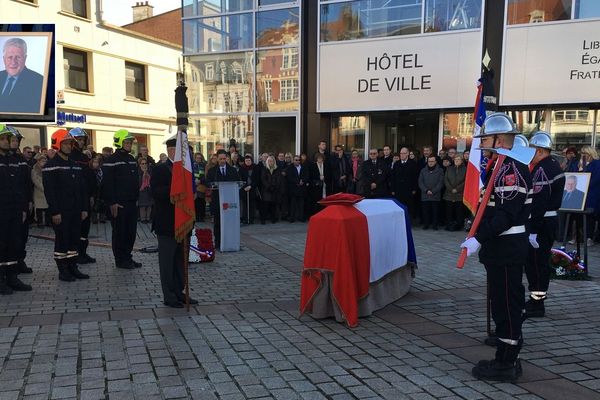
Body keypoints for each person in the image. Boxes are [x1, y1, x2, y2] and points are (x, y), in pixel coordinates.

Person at [461, 113, 532, 382]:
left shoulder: (511, 170)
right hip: (500, 248)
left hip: (506, 248)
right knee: (501, 302)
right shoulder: (499, 166)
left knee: (506, 304)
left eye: (486, 138)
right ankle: (505, 355)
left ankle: (506, 362)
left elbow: (506, 215)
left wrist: (480, 238)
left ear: (500, 139)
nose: (481, 144)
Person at [150, 137, 198, 308]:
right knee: (167, 262)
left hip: (183, 222)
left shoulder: (186, 170)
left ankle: (179, 292)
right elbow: (155, 192)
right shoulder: (160, 169)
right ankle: (169, 295)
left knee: (180, 261)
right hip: (167, 223)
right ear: (172, 151)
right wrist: (176, 192)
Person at [525, 132, 565, 318]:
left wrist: (532, 230)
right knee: (539, 262)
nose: (530, 154)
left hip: (541, 222)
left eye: (532, 150)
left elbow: (539, 201)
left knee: (535, 263)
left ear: (540, 150)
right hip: (548, 220)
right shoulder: (554, 165)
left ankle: (537, 303)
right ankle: (537, 300)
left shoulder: (542, 169)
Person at [43, 129, 89, 281]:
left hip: (75, 211)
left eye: (70, 143)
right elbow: (50, 192)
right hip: (61, 212)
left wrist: (83, 208)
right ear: (57, 144)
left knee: (74, 239)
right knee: (62, 240)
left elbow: (82, 189)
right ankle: (63, 270)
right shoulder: (51, 165)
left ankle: (72, 267)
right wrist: (55, 212)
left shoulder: (74, 165)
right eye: (66, 143)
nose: (70, 146)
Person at [102, 129, 142, 270]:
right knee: (120, 233)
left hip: (131, 202)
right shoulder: (111, 160)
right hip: (118, 204)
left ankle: (127, 257)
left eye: (130, 142)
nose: (129, 144)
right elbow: (107, 184)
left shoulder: (131, 159)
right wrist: (112, 202)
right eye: (126, 142)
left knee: (131, 233)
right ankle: (120, 260)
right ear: (119, 142)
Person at [0, 125, 31, 294]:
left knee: (14, 243)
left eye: (7, 139)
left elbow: (21, 186)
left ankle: (12, 277)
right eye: (3, 139)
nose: (6, 142)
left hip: (15, 210)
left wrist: (23, 207)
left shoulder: (14, 160)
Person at [7, 127, 33, 274]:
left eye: (17, 140)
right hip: (9, 205)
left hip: (22, 202)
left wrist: (29, 201)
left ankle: (20, 261)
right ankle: (10, 265)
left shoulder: (21, 159)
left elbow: (26, 183)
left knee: (22, 235)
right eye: (13, 140)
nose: (15, 142)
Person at [68, 128, 97, 265]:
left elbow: (90, 177)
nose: (81, 142)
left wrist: (91, 195)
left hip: (86, 196)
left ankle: (83, 253)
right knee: (77, 227)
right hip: (75, 198)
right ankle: (77, 255)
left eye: (82, 140)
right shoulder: (70, 157)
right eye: (78, 140)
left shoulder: (85, 157)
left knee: (85, 228)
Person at [206, 149, 240, 248]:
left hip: (229, 201)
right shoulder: (213, 171)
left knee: (229, 222)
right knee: (217, 223)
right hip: (217, 201)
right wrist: (211, 185)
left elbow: (238, 182)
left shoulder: (232, 170)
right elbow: (208, 181)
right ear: (217, 159)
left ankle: (230, 241)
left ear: (227, 159)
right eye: (220, 159)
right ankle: (218, 243)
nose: (222, 161)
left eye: (224, 159)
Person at [0, 38, 44, 113]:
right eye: (10, 57)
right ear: (4, 59)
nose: (13, 62)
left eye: (18, 57)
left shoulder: (39, 82)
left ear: (25, 58)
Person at [581, 146, 600, 244]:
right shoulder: (585, 164)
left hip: (594, 193)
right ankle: (586, 236)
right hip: (587, 194)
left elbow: (596, 179)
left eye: (585, 154)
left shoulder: (597, 164)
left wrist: (586, 183)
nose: (583, 156)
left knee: (591, 215)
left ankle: (590, 237)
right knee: (587, 217)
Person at [418, 156, 444, 230]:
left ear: (435, 162)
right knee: (425, 211)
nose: (430, 163)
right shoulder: (423, 170)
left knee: (435, 211)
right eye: (429, 161)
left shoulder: (440, 170)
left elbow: (440, 182)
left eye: (432, 161)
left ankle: (435, 225)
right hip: (425, 194)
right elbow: (420, 182)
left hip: (435, 194)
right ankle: (426, 224)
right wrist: (426, 190)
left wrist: (433, 191)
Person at [391, 147, 418, 214]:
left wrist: (414, 189)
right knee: (399, 206)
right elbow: (393, 177)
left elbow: (415, 177)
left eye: (404, 153)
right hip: (398, 190)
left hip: (409, 189)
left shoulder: (413, 163)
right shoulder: (396, 164)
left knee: (408, 207)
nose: (402, 155)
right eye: (401, 153)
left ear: (408, 154)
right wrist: (393, 189)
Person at [443, 154, 466, 231]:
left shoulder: (465, 169)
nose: (456, 160)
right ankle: (449, 225)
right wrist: (451, 188)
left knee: (458, 212)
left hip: (459, 194)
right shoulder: (449, 169)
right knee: (449, 211)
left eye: (458, 159)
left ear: (462, 161)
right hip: (449, 194)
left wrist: (457, 189)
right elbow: (445, 179)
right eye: (455, 159)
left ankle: (458, 226)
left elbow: (465, 181)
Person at [286, 155, 309, 222]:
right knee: (292, 204)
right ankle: (292, 218)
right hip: (293, 188)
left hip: (302, 188)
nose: (297, 161)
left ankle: (301, 217)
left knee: (301, 204)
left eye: (299, 160)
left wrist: (303, 181)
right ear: (293, 160)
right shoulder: (290, 167)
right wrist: (297, 182)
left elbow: (307, 175)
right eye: (296, 160)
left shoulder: (304, 167)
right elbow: (289, 177)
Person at [239, 155, 259, 224]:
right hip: (244, 189)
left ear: (251, 161)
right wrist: (245, 187)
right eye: (246, 161)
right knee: (245, 205)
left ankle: (251, 219)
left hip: (252, 189)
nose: (247, 162)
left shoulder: (255, 168)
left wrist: (251, 186)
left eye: (249, 160)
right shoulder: (242, 168)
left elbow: (257, 179)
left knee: (252, 205)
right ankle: (245, 218)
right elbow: (240, 178)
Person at [260, 156, 280, 224]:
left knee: (273, 206)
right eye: (269, 161)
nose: (270, 162)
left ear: (274, 162)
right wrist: (268, 187)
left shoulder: (277, 169)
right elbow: (263, 179)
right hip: (266, 190)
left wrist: (274, 187)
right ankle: (263, 219)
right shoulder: (264, 169)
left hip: (274, 190)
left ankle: (273, 219)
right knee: (265, 206)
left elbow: (278, 180)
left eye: (272, 161)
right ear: (267, 162)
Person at [31, 153, 48, 228]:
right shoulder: (34, 169)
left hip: (46, 191)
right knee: (39, 208)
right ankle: (40, 222)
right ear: (38, 161)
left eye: (45, 161)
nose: (44, 162)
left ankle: (48, 221)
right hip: (39, 191)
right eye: (42, 161)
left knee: (47, 207)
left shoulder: (46, 169)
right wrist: (43, 187)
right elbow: (35, 180)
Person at [193, 153, 207, 223]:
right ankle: (196, 217)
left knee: (202, 202)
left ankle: (201, 217)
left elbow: (205, 175)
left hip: (202, 186)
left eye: (200, 158)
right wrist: (194, 181)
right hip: (195, 186)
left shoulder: (204, 165)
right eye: (197, 158)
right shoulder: (192, 166)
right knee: (196, 202)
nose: (198, 159)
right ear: (195, 158)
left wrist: (200, 181)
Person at [138, 158, 153, 223]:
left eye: (145, 163)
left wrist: (147, 175)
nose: (144, 165)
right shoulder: (138, 171)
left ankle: (148, 218)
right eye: (142, 163)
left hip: (149, 190)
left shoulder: (150, 170)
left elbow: (152, 179)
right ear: (140, 164)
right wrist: (143, 175)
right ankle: (143, 219)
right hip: (141, 190)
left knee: (149, 205)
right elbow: (138, 181)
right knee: (142, 206)